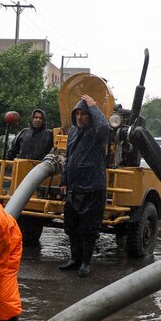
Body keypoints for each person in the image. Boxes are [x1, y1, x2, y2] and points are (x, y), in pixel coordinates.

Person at [59, 94, 110, 278]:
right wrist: (64, 180)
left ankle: (86, 263)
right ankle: (75, 259)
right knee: (71, 226)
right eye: (77, 114)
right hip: (74, 188)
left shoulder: (97, 132)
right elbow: (68, 157)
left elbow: (105, 127)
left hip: (93, 189)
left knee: (89, 229)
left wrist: (93, 106)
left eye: (84, 114)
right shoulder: (73, 131)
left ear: (90, 116)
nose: (80, 117)